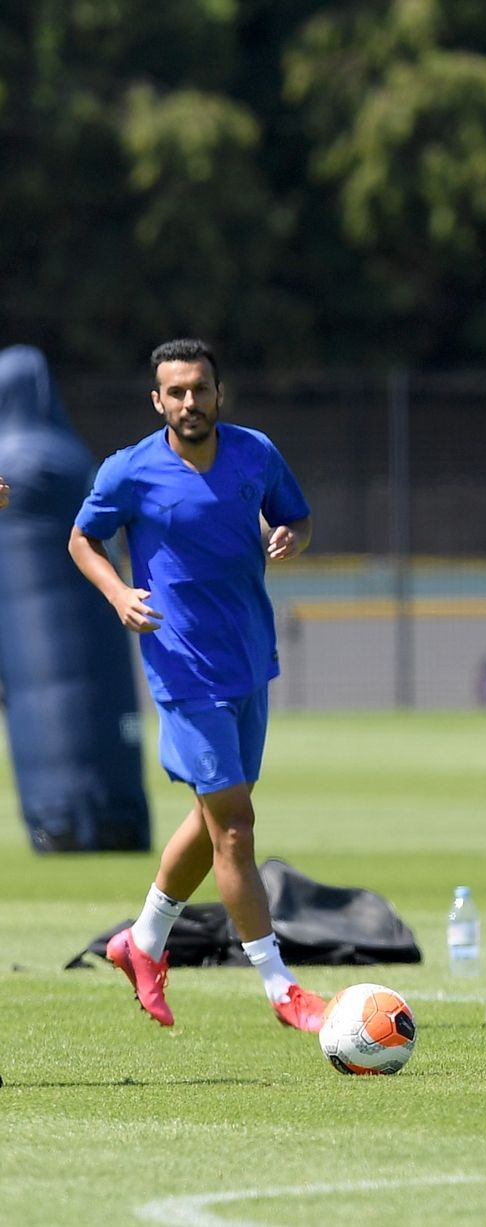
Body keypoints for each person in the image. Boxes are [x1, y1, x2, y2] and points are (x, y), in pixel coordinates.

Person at [69, 338, 327, 1033]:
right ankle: (281, 986)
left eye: (199, 389)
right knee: (236, 830)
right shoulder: (131, 470)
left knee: (214, 816)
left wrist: (292, 537)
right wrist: (118, 594)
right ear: (158, 401)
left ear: (219, 394)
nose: (189, 402)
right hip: (181, 667)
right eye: (175, 392)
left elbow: (296, 515)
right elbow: (82, 538)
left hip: (248, 658)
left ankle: (143, 941)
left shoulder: (255, 453)